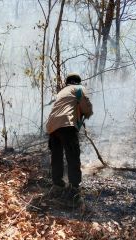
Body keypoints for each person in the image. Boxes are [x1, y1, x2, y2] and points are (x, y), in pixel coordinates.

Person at [46, 73, 93, 203]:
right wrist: (88, 113)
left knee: (57, 156)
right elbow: (86, 107)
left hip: (51, 126)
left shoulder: (61, 92)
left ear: (67, 82)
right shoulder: (78, 88)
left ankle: (58, 185)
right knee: (73, 156)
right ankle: (74, 188)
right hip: (66, 124)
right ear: (77, 82)